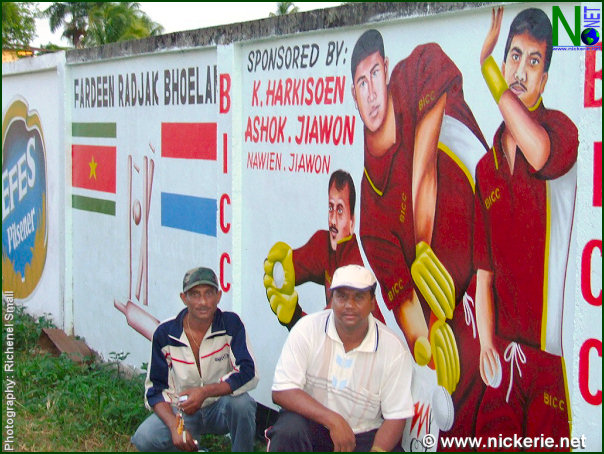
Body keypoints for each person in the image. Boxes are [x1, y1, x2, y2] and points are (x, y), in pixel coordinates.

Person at [350, 29, 487, 439]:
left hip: (492, 243)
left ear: (386, 69)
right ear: (353, 94)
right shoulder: (371, 217)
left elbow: (424, 166)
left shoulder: (419, 69)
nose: (372, 92)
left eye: (375, 74)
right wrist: (424, 348)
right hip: (454, 312)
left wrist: (422, 242)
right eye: (361, 83)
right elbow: (404, 300)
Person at [474, 7, 578, 444]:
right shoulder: (487, 167)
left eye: (533, 61)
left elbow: (538, 152)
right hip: (504, 356)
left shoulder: (560, 131)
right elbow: (484, 273)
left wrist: (489, 73)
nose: (519, 70)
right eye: (513, 56)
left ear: (545, 79)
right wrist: (484, 343)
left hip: (553, 361)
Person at [266, 264, 414, 452]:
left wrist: (377, 449)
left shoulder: (393, 349)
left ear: (373, 302)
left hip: (364, 435)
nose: (349, 305)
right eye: (341, 296)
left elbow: (396, 416)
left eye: (359, 297)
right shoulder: (307, 329)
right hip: (314, 426)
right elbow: (282, 391)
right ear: (332, 298)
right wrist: (334, 421)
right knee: (289, 430)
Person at [131, 267, 259, 452]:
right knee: (145, 438)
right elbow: (155, 390)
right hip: (182, 411)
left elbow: (248, 370)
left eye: (209, 293)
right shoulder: (166, 333)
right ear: (184, 299)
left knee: (242, 405)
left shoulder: (231, 324)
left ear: (219, 296)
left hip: (220, 406)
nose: (203, 302)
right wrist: (175, 426)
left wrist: (205, 392)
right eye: (195, 295)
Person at [263, 170, 384, 330]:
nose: (333, 220)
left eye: (340, 210)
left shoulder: (353, 270)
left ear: (352, 221)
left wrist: (294, 316)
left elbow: (325, 332)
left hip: (368, 350)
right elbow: (289, 268)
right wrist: (281, 266)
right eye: (330, 208)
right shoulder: (324, 244)